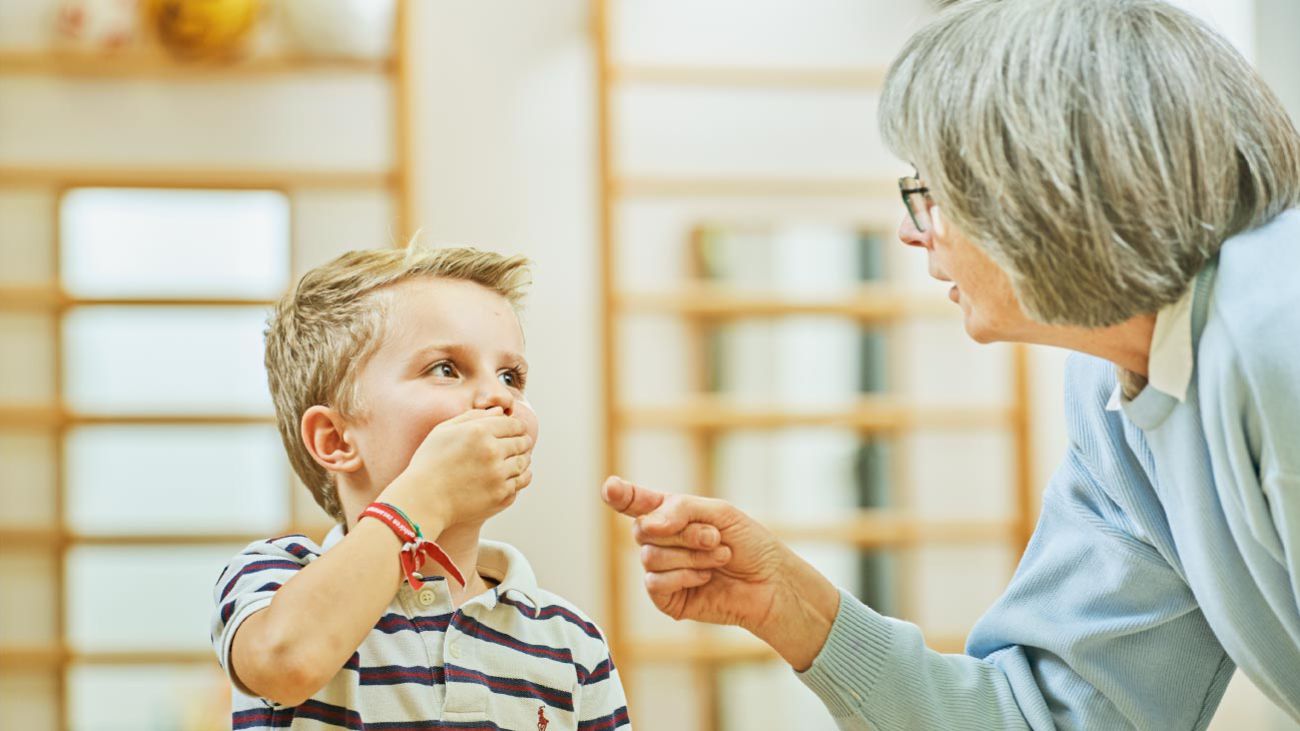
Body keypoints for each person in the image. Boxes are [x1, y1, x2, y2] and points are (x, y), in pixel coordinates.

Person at [601, 0, 1300, 727]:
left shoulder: (1277, 322)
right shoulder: (1114, 393)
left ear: (1039, 185)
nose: (910, 231)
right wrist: (796, 607)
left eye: (927, 192)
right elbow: (1047, 716)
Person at [212, 245, 629, 730]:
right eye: (446, 369)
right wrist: (426, 496)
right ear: (336, 439)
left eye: (510, 376)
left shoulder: (570, 641)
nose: (499, 396)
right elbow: (286, 663)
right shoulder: (276, 579)